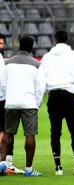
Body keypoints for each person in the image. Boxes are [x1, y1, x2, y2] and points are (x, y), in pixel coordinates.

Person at [40, 30, 74, 176]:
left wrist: (48, 92)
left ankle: (58, 168)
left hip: (53, 95)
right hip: (68, 94)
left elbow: (41, 79)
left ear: (55, 40)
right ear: (67, 39)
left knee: (55, 131)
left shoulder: (46, 57)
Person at [0, 36, 46, 176]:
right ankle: (29, 169)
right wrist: (37, 102)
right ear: (32, 47)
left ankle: (2, 164)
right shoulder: (37, 64)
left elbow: (2, 82)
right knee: (30, 135)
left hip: (11, 102)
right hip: (29, 103)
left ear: (19, 46)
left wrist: (7, 97)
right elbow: (40, 87)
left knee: (8, 133)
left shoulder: (7, 62)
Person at [0, 33, 24, 175]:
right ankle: (6, 164)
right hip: (2, 98)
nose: (1, 46)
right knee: (7, 131)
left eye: (2, 43)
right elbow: (3, 82)